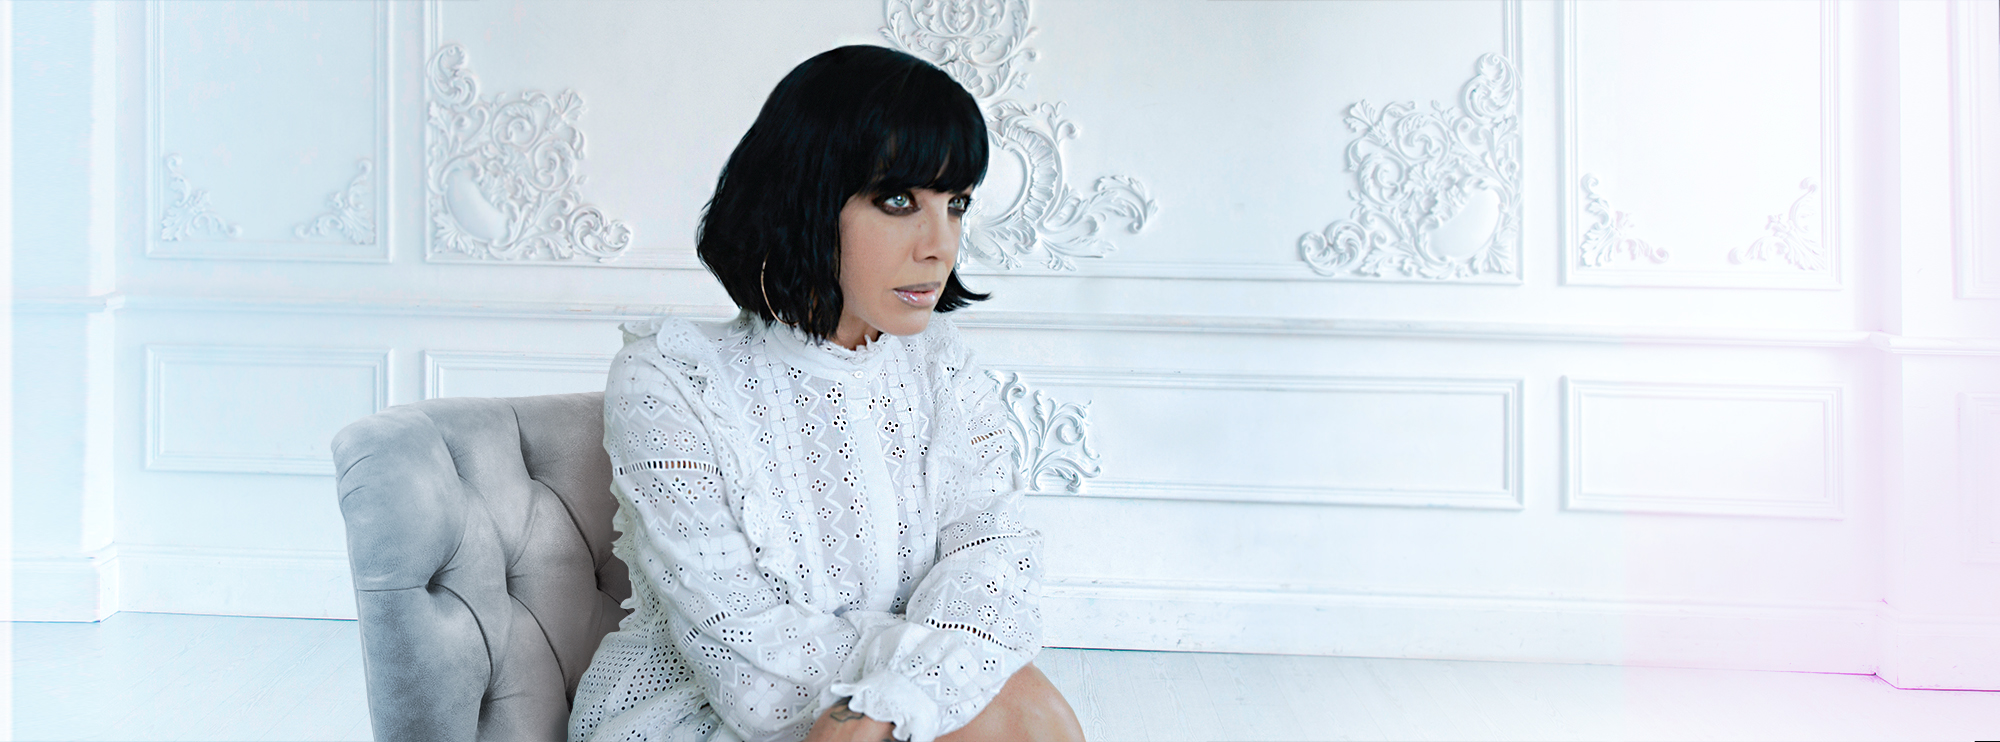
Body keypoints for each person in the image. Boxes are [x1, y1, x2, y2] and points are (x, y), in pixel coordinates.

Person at [567, 46, 1086, 742]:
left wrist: (897, 699)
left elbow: (997, 565)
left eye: (956, 203)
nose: (940, 244)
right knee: (1018, 708)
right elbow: (748, 671)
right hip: (701, 719)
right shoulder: (671, 381)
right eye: (899, 200)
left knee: (1024, 711)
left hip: (885, 715)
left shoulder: (944, 372)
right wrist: (940, 670)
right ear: (806, 198)